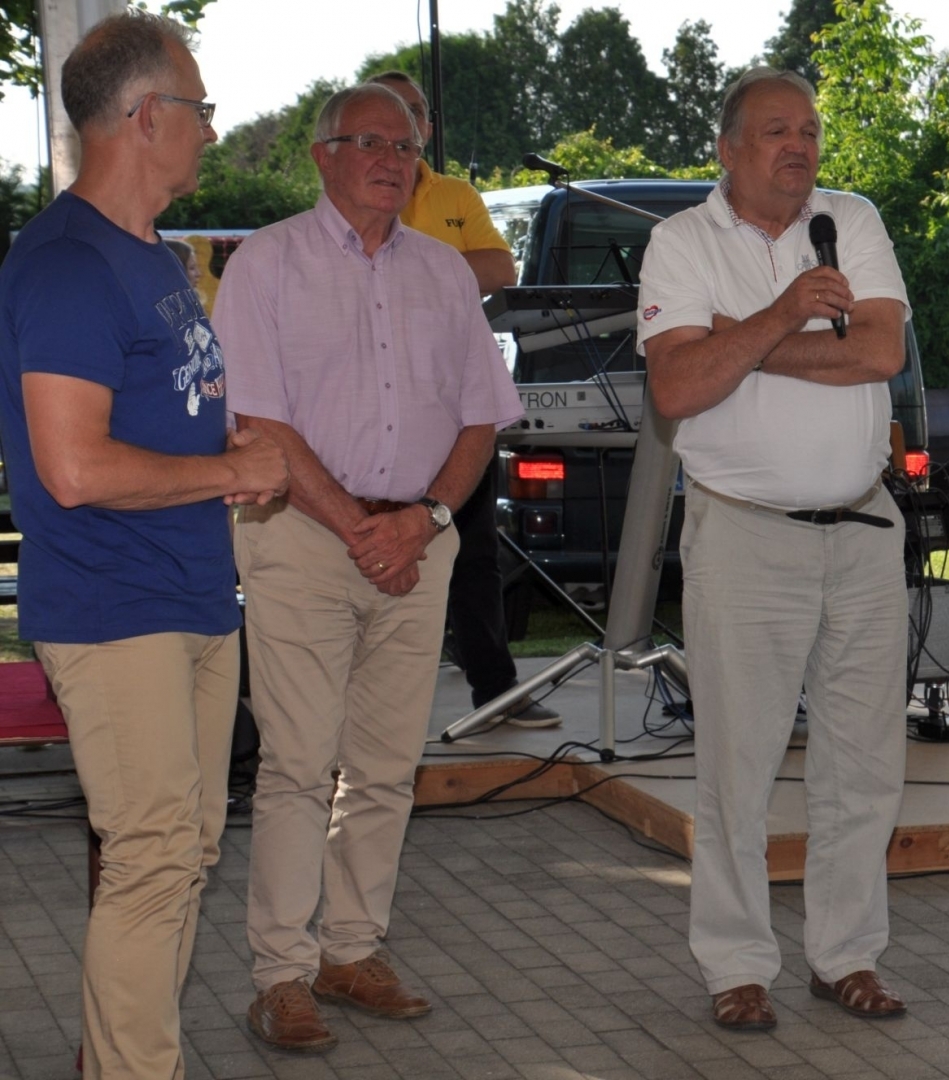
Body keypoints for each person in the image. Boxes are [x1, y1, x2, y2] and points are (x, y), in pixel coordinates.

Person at [0, 12, 289, 1077]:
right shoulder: (69, 266)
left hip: (192, 596)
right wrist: (230, 473)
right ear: (146, 116)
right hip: (116, 607)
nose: (214, 129)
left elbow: (154, 412)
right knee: (157, 859)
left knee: (183, 854)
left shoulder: (152, 257)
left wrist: (227, 442)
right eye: (201, 107)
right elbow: (73, 469)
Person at [212, 83, 522, 1052]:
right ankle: (281, 976)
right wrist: (359, 527)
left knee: (387, 768)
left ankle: (352, 950)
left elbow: (480, 416)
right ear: (322, 155)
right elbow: (258, 421)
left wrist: (422, 520)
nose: (394, 159)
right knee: (300, 766)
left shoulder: (443, 274)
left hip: (417, 545)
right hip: (304, 542)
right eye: (371, 143)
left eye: (407, 147)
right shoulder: (266, 263)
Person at [637, 67, 911, 1032]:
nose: (798, 147)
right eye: (774, 132)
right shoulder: (679, 243)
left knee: (864, 765)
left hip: (866, 533)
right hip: (745, 538)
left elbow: (880, 353)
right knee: (737, 767)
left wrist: (735, 342)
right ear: (726, 147)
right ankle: (735, 965)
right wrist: (786, 314)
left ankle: (846, 957)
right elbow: (674, 391)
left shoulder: (851, 220)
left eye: (808, 130)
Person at [364, 70, 558, 729]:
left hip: (453, 399)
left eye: (416, 115)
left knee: (473, 547)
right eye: (391, 116)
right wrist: (442, 271)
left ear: (429, 128)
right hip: (371, 404)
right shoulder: (353, 189)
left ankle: (495, 692)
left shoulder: (454, 194)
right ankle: (363, 708)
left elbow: (500, 271)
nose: (407, 128)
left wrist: (409, 268)